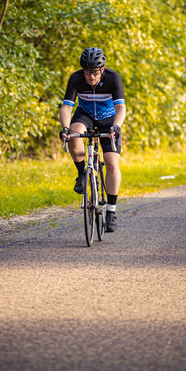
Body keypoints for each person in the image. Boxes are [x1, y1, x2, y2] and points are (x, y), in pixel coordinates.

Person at [59, 47, 126, 232]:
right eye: (87, 72)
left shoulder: (113, 78)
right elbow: (66, 107)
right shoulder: (76, 78)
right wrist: (65, 128)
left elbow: (121, 108)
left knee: (112, 163)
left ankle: (111, 210)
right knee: (73, 134)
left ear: (102, 70)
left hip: (108, 120)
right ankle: (82, 173)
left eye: (95, 72)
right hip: (85, 115)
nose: (91, 76)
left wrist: (116, 126)